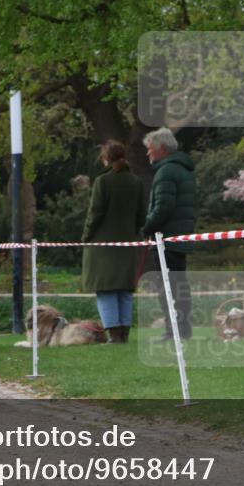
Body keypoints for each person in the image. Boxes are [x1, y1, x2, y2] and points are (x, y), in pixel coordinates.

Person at [81, 140, 146, 343]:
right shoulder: (136, 182)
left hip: (103, 245)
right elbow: (141, 216)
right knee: (124, 289)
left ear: (106, 158)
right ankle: (124, 334)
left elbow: (95, 213)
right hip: (128, 243)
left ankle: (114, 335)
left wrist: (86, 236)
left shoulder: (103, 182)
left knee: (106, 289)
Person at [141, 127, 197, 340]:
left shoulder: (166, 171)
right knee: (179, 285)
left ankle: (174, 330)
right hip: (179, 236)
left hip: (167, 237)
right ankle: (183, 329)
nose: (148, 153)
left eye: (150, 149)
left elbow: (163, 207)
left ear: (162, 149)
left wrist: (146, 228)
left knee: (168, 287)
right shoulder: (183, 169)